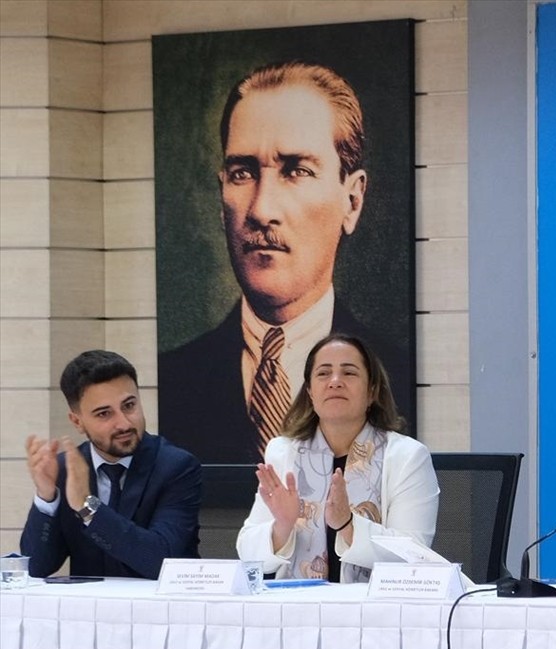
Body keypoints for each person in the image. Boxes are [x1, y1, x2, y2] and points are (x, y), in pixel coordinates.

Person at [158, 60, 408, 465]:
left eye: (296, 170)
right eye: (242, 173)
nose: (262, 209)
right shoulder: (171, 381)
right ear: (222, 197)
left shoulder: (396, 374)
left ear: (353, 199)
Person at [236, 333, 439, 582]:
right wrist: (283, 525)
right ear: (310, 392)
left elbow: (415, 555)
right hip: (297, 611)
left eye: (349, 373)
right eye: (323, 373)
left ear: (372, 391)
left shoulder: (407, 457)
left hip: (376, 611)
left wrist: (348, 525)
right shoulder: (283, 452)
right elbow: (247, 553)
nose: (335, 381)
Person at [20, 350, 202, 578]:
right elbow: (37, 568)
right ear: (77, 421)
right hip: (88, 611)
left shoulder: (176, 467)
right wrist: (46, 497)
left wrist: (88, 508)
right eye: (104, 414)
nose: (124, 423)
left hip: (158, 609)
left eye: (129, 406)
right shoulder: (66, 470)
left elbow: (160, 560)